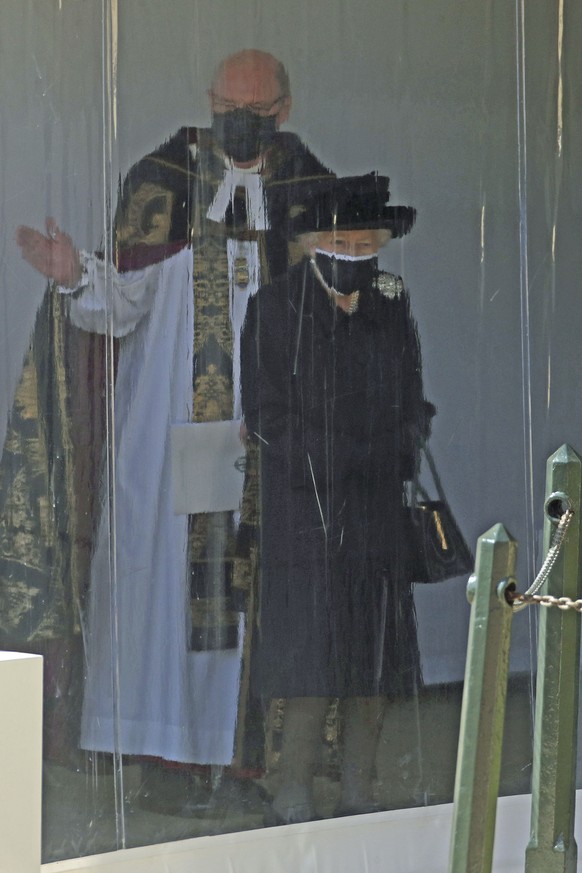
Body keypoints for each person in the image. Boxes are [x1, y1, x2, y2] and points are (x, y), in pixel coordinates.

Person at [15, 50, 333, 798]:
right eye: (225, 103)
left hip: (262, 440)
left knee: (241, 609)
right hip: (166, 435)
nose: (236, 119)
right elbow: (120, 308)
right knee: (163, 595)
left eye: (253, 108)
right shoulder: (165, 183)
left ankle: (239, 758)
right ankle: (164, 757)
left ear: (283, 110)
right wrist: (75, 275)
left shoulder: (311, 193)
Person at [241, 174, 434, 824]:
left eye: (364, 243)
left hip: (378, 507)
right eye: (341, 241)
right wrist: (340, 456)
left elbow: (412, 390)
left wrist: (400, 439)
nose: (353, 253)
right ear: (314, 243)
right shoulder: (273, 307)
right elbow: (266, 413)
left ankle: (360, 788)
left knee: (373, 658)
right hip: (308, 511)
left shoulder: (390, 298)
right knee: (310, 657)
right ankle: (290, 784)